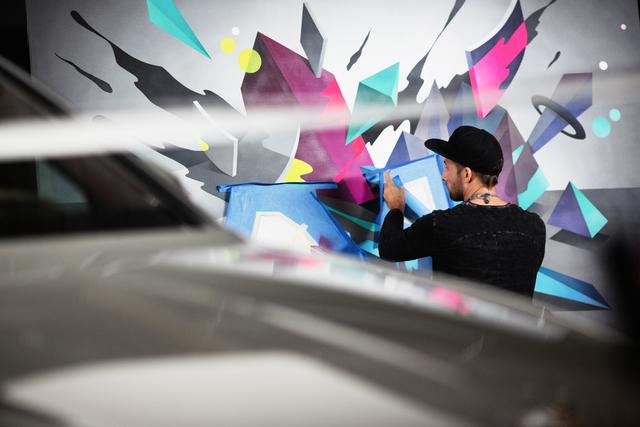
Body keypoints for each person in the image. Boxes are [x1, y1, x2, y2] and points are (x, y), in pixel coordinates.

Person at [378, 125, 546, 296]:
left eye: (446, 167)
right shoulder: (535, 227)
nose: (443, 176)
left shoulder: (441, 225)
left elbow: (389, 249)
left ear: (466, 174)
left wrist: (396, 208)